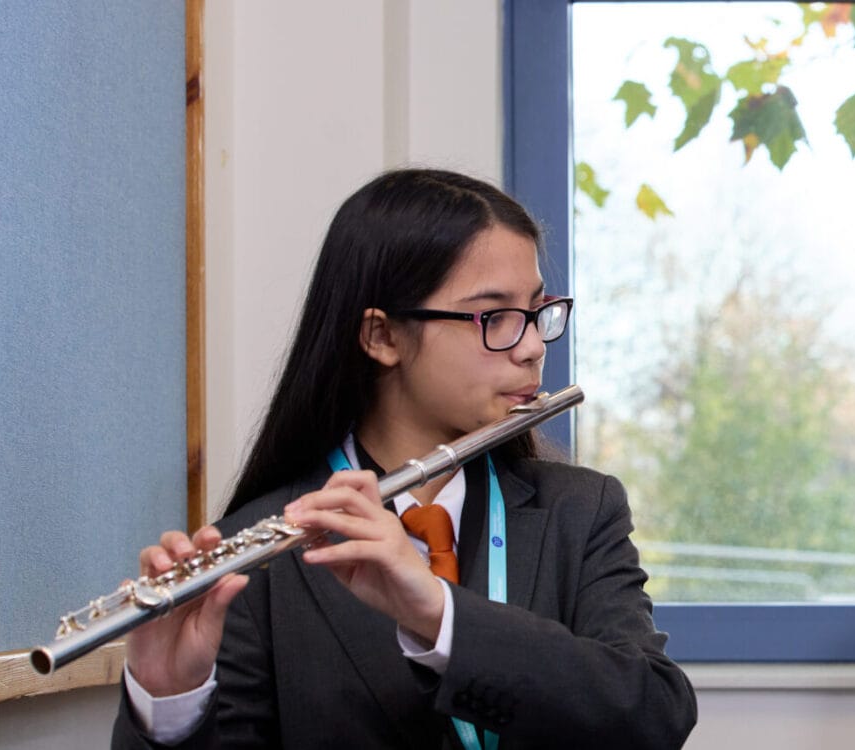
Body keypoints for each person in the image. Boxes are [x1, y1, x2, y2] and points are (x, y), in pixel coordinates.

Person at [113, 169, 697, 749]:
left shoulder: (580, 512)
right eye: (494, 317)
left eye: (538, 311)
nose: (533, 346)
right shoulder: (260, 552)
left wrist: (442, 617)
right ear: (382, 336)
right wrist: (170, 705)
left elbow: (652, 714)